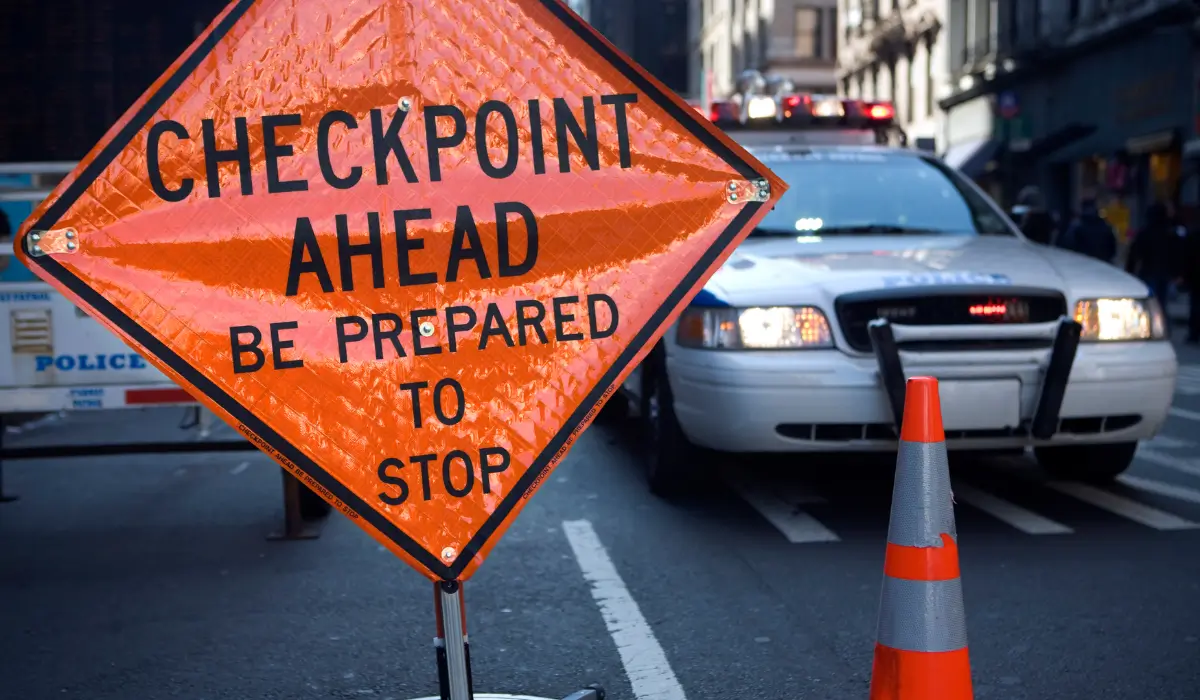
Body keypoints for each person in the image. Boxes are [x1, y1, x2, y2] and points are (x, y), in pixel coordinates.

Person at [1126, 201, 1181, 314]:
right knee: (1162, 304)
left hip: (1149, 272)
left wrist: (1129, 272)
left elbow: (1134, 254)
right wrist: (1177, 273)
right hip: (1164, 273)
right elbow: (1177, 255)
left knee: (1150, 303)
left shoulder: (1145, 232)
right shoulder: (1170, 233)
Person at [1056, 196, 1118, 263]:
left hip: (1082, 263)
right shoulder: (1106, 227)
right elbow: (1112, 249)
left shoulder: (1077, 227)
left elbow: (1067, 245)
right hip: (1102, 263)